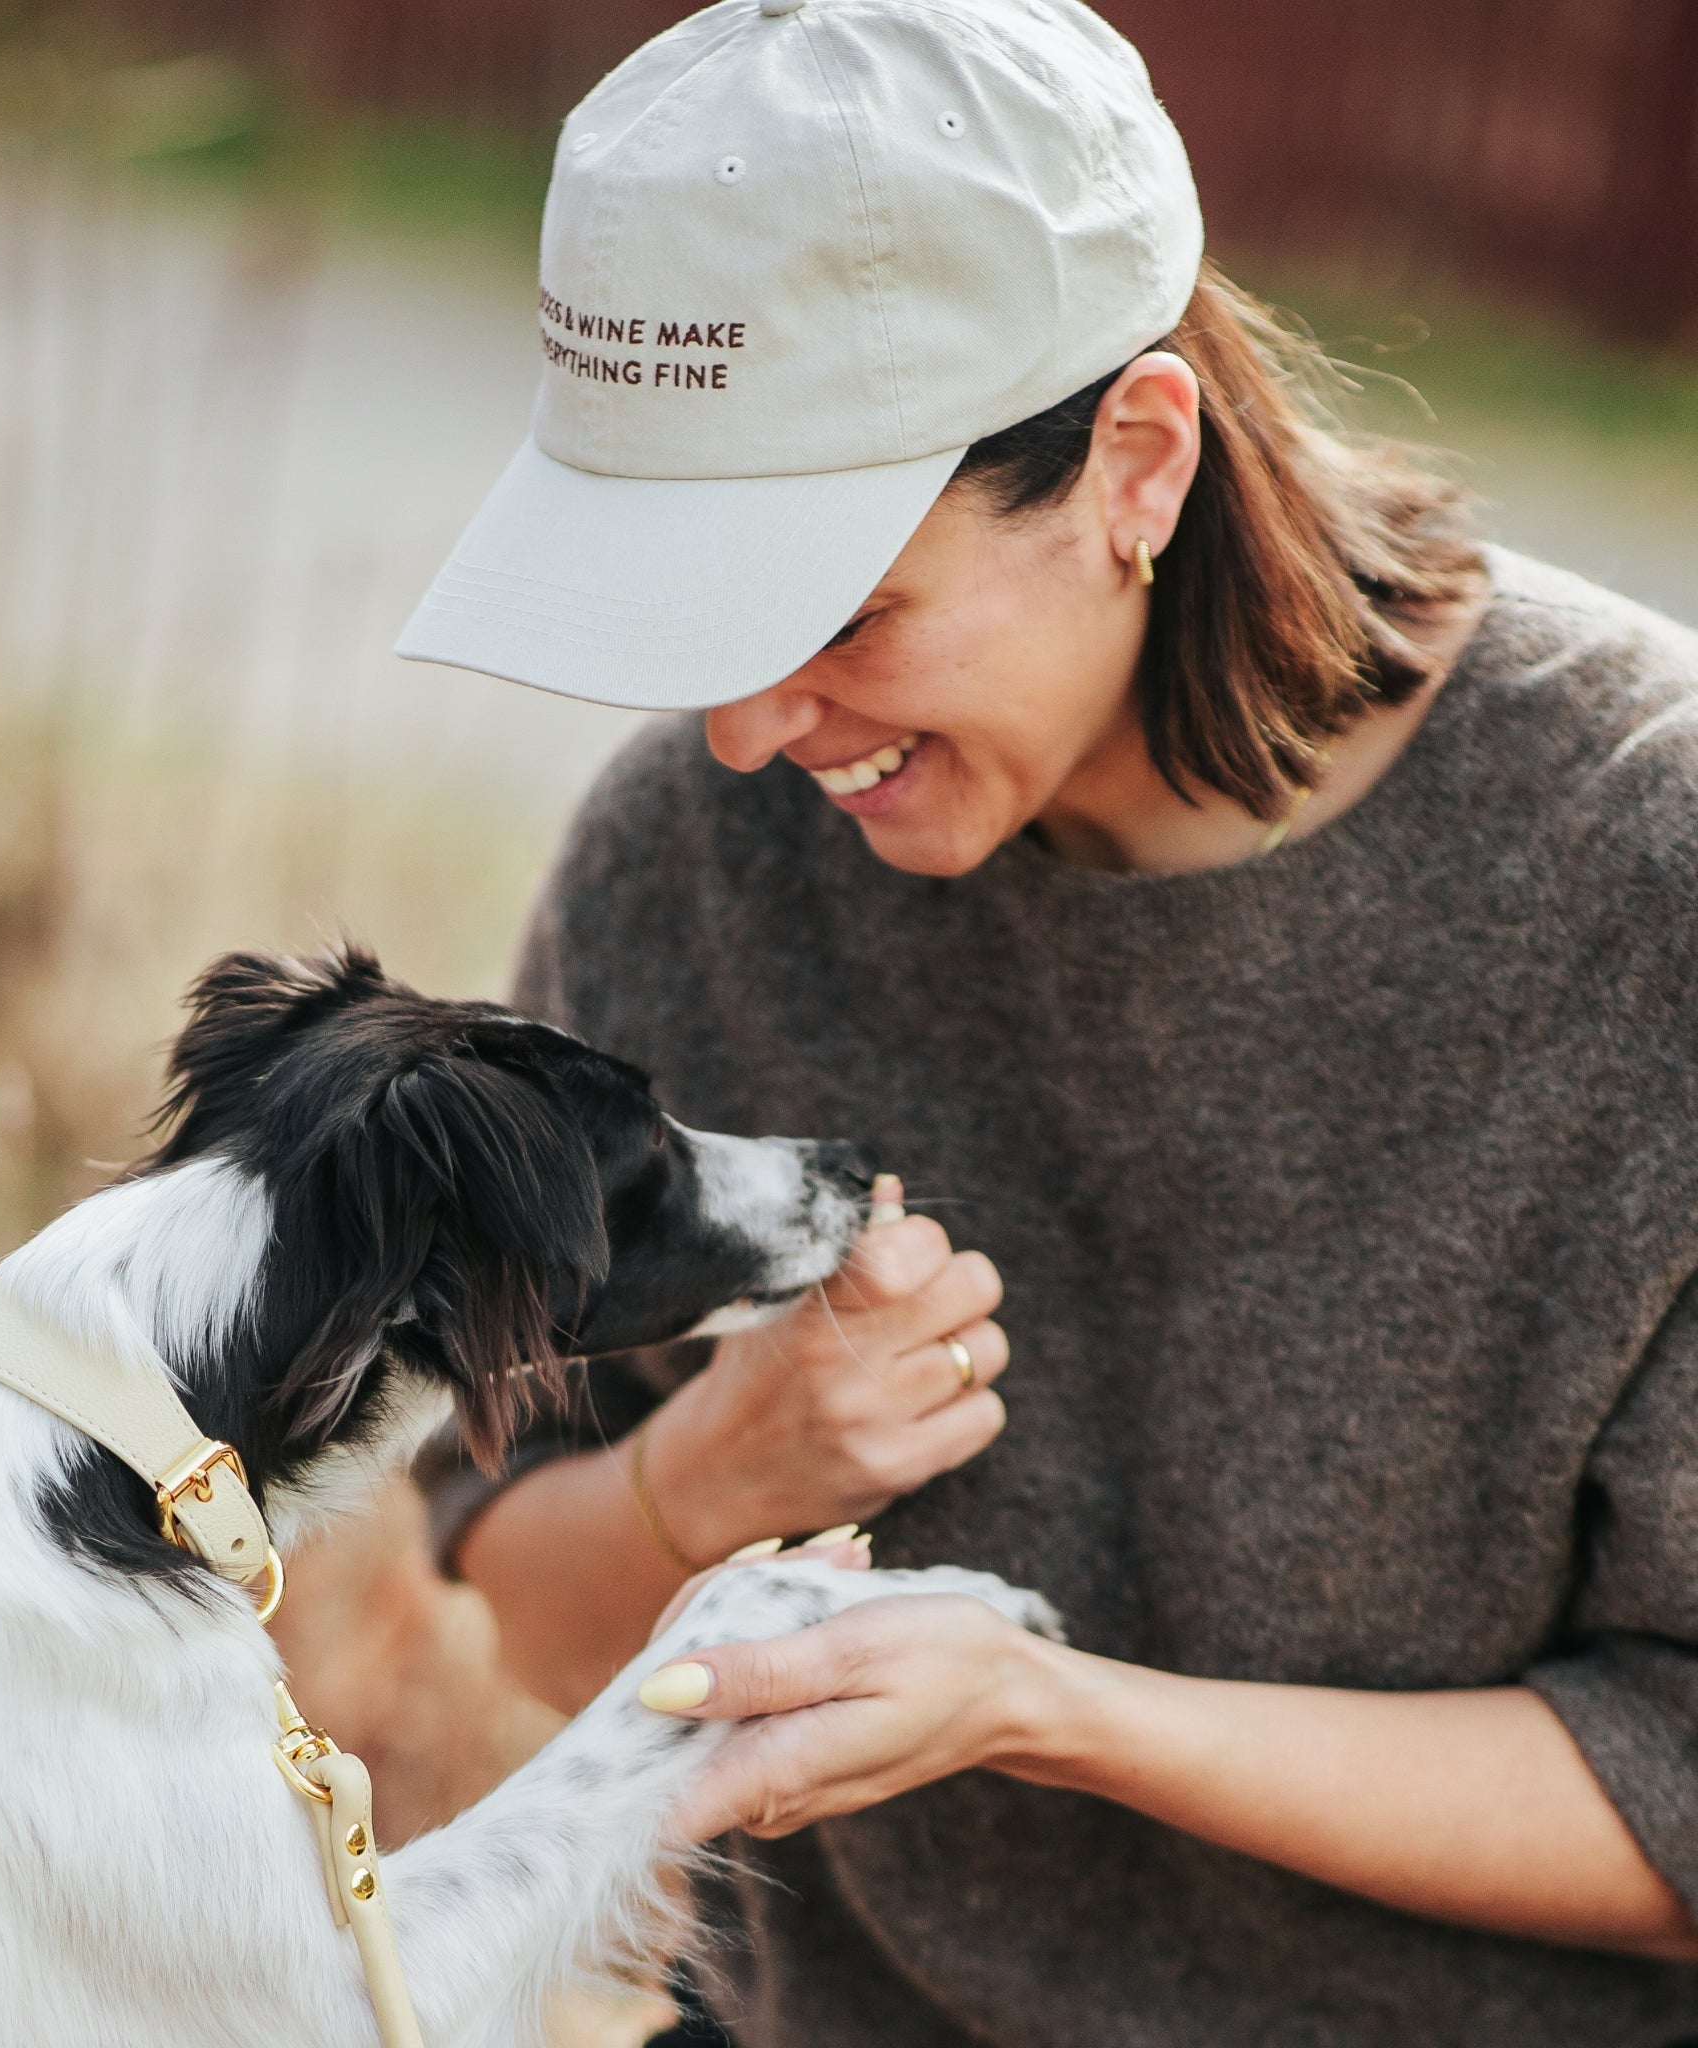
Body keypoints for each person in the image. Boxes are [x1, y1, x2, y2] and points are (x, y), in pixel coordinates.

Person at [394, 2, 1698, 2040]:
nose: (742, 726)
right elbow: (513, 1592)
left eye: (836, 611)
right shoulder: (686, 856)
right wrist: (711, 1471)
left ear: (1137, 463)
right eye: (693, 607)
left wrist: (1055, 1709)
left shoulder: (1643, 890)